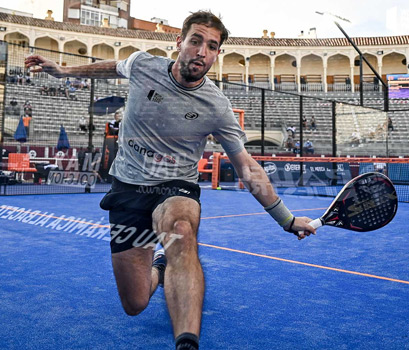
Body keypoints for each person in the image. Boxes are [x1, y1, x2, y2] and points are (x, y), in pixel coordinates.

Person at [25, 11, 315, 350]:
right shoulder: (142, 65)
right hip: (128, 189)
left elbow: (248, 168)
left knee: (181, 230)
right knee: (135, 304)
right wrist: (63, 70)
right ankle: (160, 269)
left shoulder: (216, 106)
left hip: (175, 187)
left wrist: (288, 220)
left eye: (212, 46)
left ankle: (186, 343)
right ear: (179, 42)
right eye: (196, 41)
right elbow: (108, 68)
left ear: (217, 54)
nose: (202, 51)